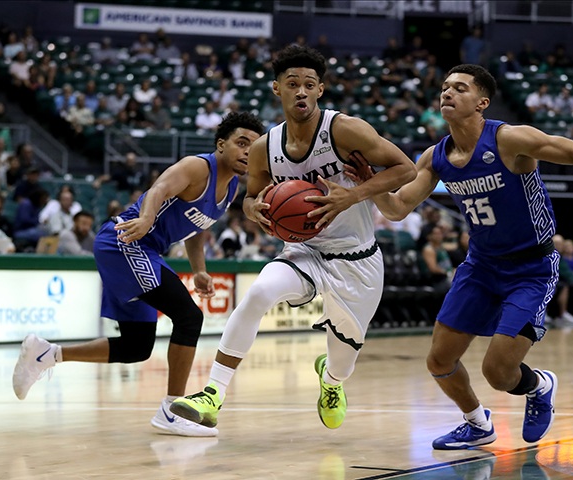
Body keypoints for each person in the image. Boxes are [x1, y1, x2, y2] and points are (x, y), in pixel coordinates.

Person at [343, 64, 573, 449]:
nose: (447, 93)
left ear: (481, 102)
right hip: (481, 266)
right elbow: (398, 208)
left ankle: (540, 385)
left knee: (498, 372)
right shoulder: (437, 157)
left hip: (531, 267)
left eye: (460, 88)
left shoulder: (509, 139)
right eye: (445, 87)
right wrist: (369, 182)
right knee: (438, 361)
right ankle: (477, 423)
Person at [170, 45, 416, 431]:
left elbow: (406, 169)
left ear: (320, 89)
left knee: (342, 364)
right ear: (276, 89)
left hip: (357, 257)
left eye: (308, 84)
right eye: (292, 84)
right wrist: (254, 210)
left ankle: (330, 381)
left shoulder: (345, 129)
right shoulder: (262, 148)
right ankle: (213, 394)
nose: (300, 91)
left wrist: (352, 194)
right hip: (303, 250)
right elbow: (252, 198)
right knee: (258, 293)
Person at [11, 112, 266, 437]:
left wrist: (199, 269)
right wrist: (146, 218)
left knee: (137, 346)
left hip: (143, 251)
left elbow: (198, 228)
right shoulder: (198, 167)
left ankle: (46, 354)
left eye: (253, 146)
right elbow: (159, 188)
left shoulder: (230, 189)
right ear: (221, 144)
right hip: (125, 242)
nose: (248, 151)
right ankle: (172, 410)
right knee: (189, 317)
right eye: (241, 143)